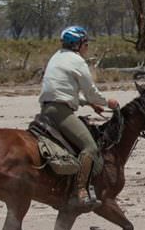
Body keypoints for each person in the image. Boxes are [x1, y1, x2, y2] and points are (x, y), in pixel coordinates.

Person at [39, 26, 119, 212]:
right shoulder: (77, 61)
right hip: (60, 112)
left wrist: (87, 104)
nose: (87, 46)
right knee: (90, 147)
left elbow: (63, 91)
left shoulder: (56, 56)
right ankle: (80, 191)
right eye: (86, 43)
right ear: (79, 44)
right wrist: (108, 102)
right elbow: (91, 92)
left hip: (46, 109)